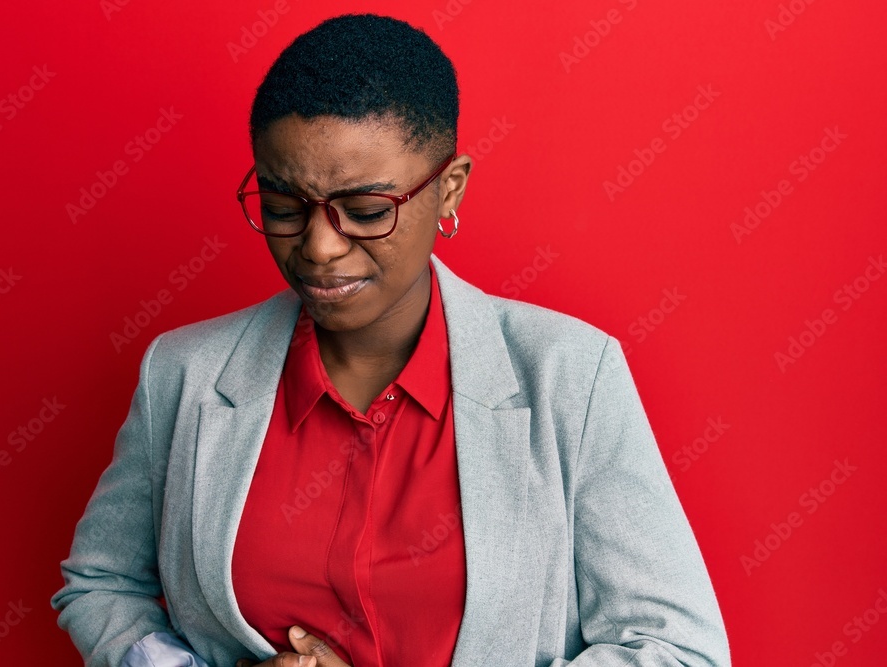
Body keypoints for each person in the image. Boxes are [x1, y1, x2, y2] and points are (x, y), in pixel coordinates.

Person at [51, 12, 730, 667]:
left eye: (367, 211)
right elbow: (99, 585)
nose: (317, 247)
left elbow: (677, 647)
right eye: (284, 206)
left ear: (451, 190)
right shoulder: (185, 374)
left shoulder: (572, 377)